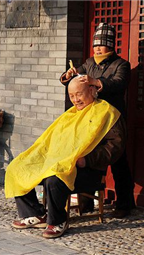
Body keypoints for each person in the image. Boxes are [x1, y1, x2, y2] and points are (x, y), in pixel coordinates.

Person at [5, 78, 126, 239]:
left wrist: (87, 159)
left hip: (88, 170)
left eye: (79, 94)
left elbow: (115, 147)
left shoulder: (108, 113)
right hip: (60, 163)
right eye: (71, 96)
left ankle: (58, 221)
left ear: (91, 90)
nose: (75, 100)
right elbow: (50, 141)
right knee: (17, 167)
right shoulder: (70, 114)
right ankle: (35, 214)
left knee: (54, 178)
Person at [60, 22, 136, 218]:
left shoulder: (121, 64)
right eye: (96, 44)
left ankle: (124, 204)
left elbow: (119, 83)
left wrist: (96, 82)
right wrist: (68, 75)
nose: (97, 48)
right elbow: (77, 75)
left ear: (111, 45)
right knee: (87, 158)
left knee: (118, 161)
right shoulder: (88, 63)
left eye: (102, 44)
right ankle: (85, 204)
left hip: (112, 120)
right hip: (91, 120)